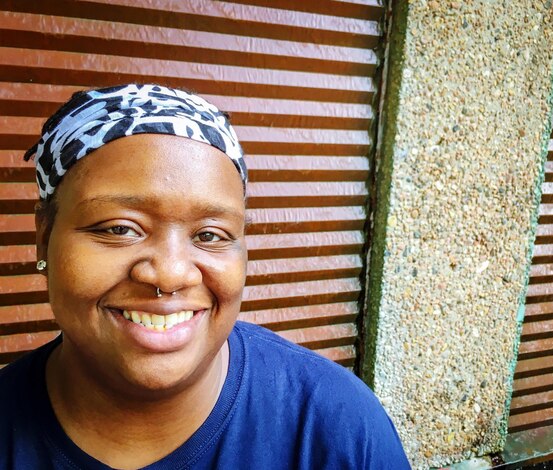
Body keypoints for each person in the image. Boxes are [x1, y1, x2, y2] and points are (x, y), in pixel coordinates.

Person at [0, 84, 410, 469]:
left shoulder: (335, 427)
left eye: (210, 235)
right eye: (119, 228)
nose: (171, 274)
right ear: (44, 238)